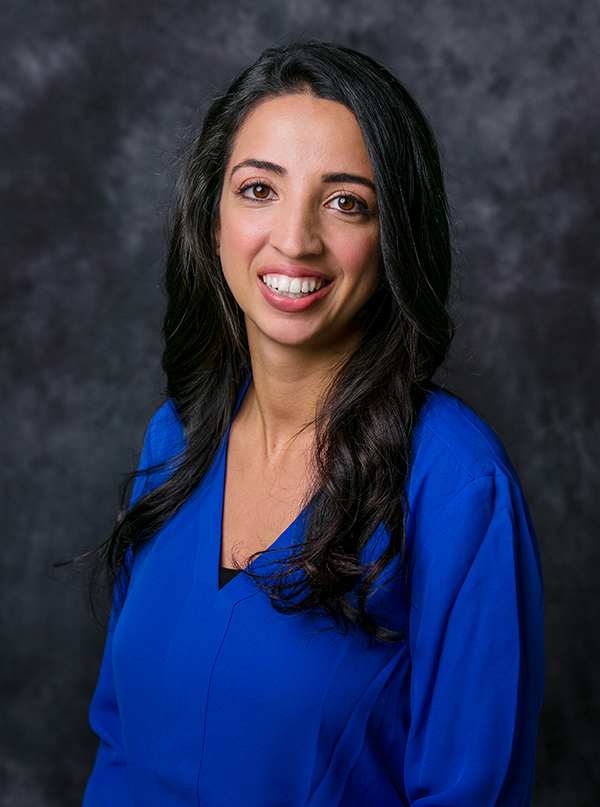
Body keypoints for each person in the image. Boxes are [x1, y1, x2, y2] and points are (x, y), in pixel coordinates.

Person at [82, 41, 544, 807]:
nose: (294, 239)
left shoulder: (458, 486)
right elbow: (120, 746)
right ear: (213, 214)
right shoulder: (175, 439)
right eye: (259, 189)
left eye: (345, 202)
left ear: (393, 234)